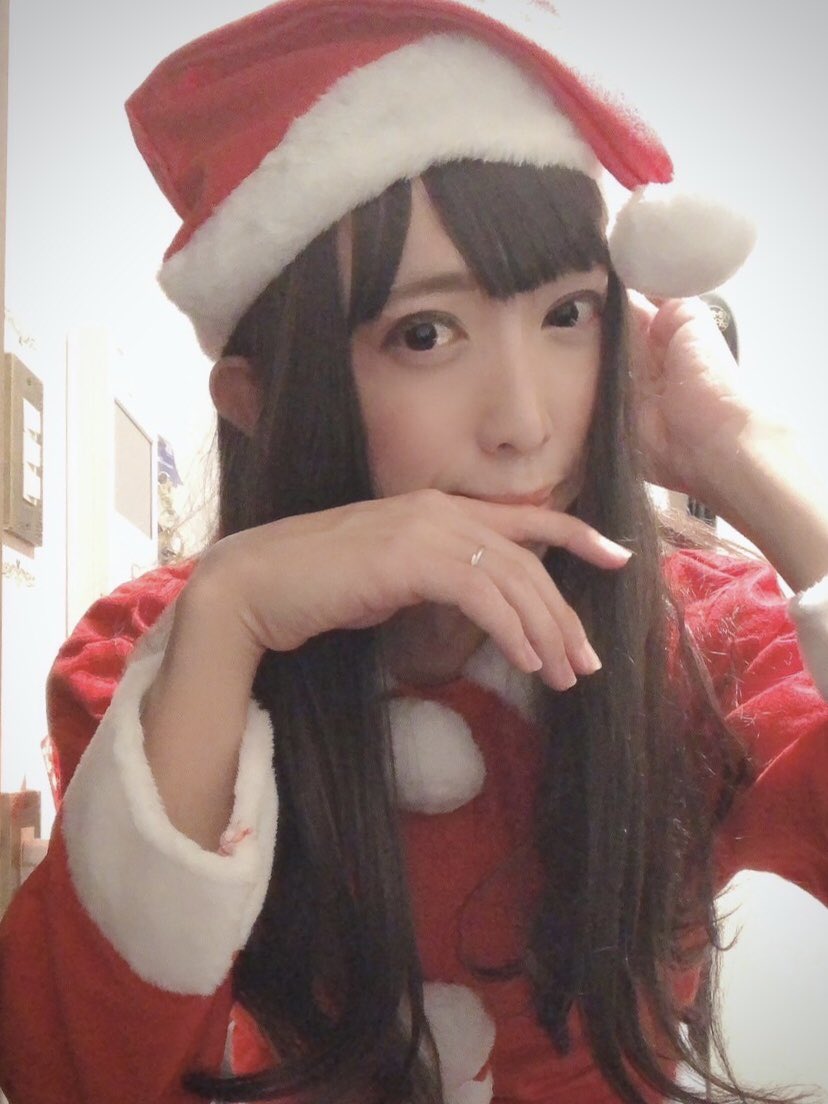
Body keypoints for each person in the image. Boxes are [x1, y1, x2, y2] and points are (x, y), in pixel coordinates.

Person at [1, 2, 827, 1103]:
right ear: (260, 398)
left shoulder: (703, 629)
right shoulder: (152, 650)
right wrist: (231, 611)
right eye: (425, 334)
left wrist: (756, 461)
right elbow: (71, 1073)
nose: (524, 420)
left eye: (569, 314)